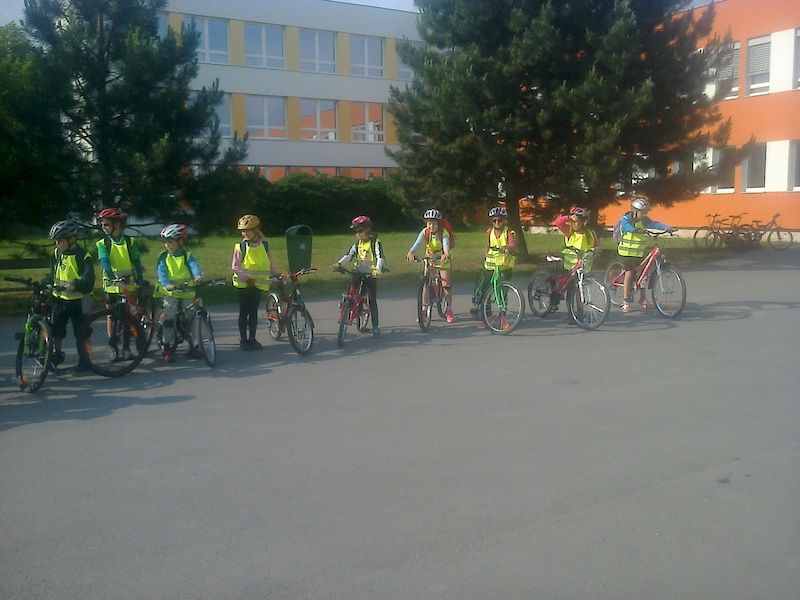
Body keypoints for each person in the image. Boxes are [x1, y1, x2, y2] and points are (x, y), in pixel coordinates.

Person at [44, 219, 95, 372]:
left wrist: (76, 284)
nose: (57, 244)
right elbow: (52, 274)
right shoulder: (57, 253)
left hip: (78, 300)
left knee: (82, 332)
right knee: (56, 329)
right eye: (56, 241)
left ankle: (85, 358)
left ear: (72, 239)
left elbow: (88, 278)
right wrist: (46, 283)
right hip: (59, 299)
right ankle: (56, 354)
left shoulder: (83, 255)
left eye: (60, 240)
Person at [95, 208, 144, 361]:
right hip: (111, 285)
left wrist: (140, 278)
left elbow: (136, 261)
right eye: (102, 225)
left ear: (117, 225)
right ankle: (113, 348)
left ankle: (127, 348)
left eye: (106, 225)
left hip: (127, 285)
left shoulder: (129, 241)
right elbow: (104, 261)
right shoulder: (103, 243)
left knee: (128, 317)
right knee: (112, 316)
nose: (103, 228)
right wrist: (111, 276)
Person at [154, 224, 203, 362]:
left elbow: (194, 266)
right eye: (165, 242)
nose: (167, 245)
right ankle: (167, 346)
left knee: (191, 318)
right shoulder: (164, 257)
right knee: (169, 319)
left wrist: (197, 276)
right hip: (171, 293)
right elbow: (162, 272)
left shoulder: (187, 255)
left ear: (180, 242)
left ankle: (192, 346)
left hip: (187, 292)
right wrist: (166, 284)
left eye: (170, 242)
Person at [231, 214, 279, 351]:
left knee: (253, 312)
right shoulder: (241, 247)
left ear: (256, 230)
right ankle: (243, 340)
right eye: (243, 231)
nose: (245, 234)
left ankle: (252, 339)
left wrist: (277, 275)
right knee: (244, 312)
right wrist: (247, 279)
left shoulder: (264, 245)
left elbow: (270, 263)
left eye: (247, 231)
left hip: (257, 285)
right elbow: (235, 266)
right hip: (244, 285)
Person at [617, 196, 673, 313]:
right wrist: (635, 230)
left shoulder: (645, 220)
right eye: (642, 212)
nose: (645, 215)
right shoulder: (626, 218)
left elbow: (655, 224)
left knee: (642, 275)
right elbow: (626, 226)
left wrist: (667, 228)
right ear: (635, 211)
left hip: (638, 252)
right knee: (629, 273)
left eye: (646, 212)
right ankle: (626, 301)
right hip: (626, 252)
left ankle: (642, 298)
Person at [334, 215, 385, 337]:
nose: (358, 234)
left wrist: (378, 268)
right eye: (355, 232)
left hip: (370, 274)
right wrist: (339, 264)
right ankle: (348, 306)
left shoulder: (374, 243)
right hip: (358, 271)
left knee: (371, 300)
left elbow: (380, 257)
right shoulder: (357, 244)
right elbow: (349, 256)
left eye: (360, 231)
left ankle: (375, 326)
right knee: (351, 291)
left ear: (367, 229)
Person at [406, 208, 455, 323]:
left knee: (446, 285)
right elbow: (417, 243)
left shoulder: (443, 233)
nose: (431, 226)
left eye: (434, 223)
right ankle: (423, 310)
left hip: (442, 258)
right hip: (430, 257)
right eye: (429, 223)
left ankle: (449, 309)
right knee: (426, 284)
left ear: (438, 224)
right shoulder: (425, 232)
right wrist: (411, 252)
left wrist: (446, 253)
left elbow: (446, 244)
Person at [472, 206, 517, 329]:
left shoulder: (508, 232)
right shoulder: (489, 232)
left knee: (502, 292)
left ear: (504, 220)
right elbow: (488, 246)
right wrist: (486, 256)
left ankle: (503, 317)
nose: (497, 223)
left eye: (499, 220)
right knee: (486, 290)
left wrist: (506, 248)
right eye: (494, 220)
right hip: (491, 264)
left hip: (504, 265)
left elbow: (513, 246)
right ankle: (488, 316)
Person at [553, 206, 600, 287]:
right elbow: (558, 222)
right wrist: (569, 217)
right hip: (570, 268)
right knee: (570, 289)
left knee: (580, 289)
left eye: (576, 221)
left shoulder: (590, 234)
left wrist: (596, 251)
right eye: (572, 222)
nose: (573, 224)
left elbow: (597, 247)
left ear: (583, 222)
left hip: (583, 269)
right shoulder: (569, 232)